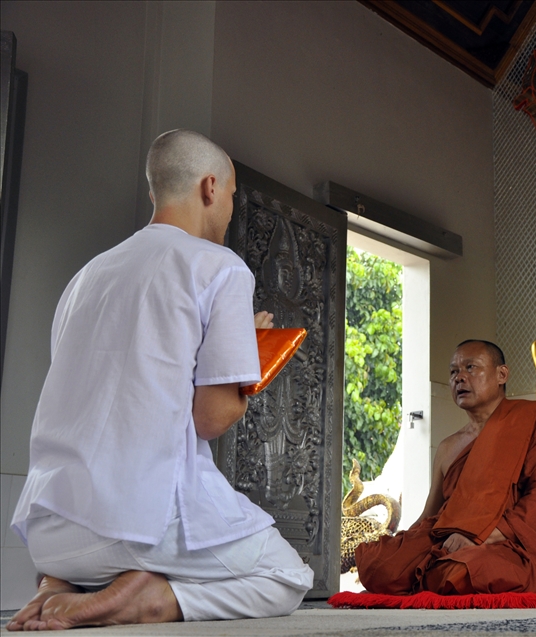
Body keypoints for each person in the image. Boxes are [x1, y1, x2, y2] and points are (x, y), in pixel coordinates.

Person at [7, 130, 314, 631]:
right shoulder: (220, 268)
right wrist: (249, 361)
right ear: (210, 188)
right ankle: (150, 600)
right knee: (286, 575)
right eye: (232, 194)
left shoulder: (85, 278)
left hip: (49, 532)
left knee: (103, 549)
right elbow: (211, 418)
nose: (230, 208)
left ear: (155, 192)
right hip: (139, 524)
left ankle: (57, 586)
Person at [355, 340, 536, 595]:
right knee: (377, 564)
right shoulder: (448, 447)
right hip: (448, 541)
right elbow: (430, 516)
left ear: (501, 375)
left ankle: (426, 579)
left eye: (471, 368)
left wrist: (480, 536)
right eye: (453, 371)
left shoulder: (535, 423)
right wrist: (404, 548)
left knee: (463, 570)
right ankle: (425, 576)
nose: (459, 378)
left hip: (510, 545)